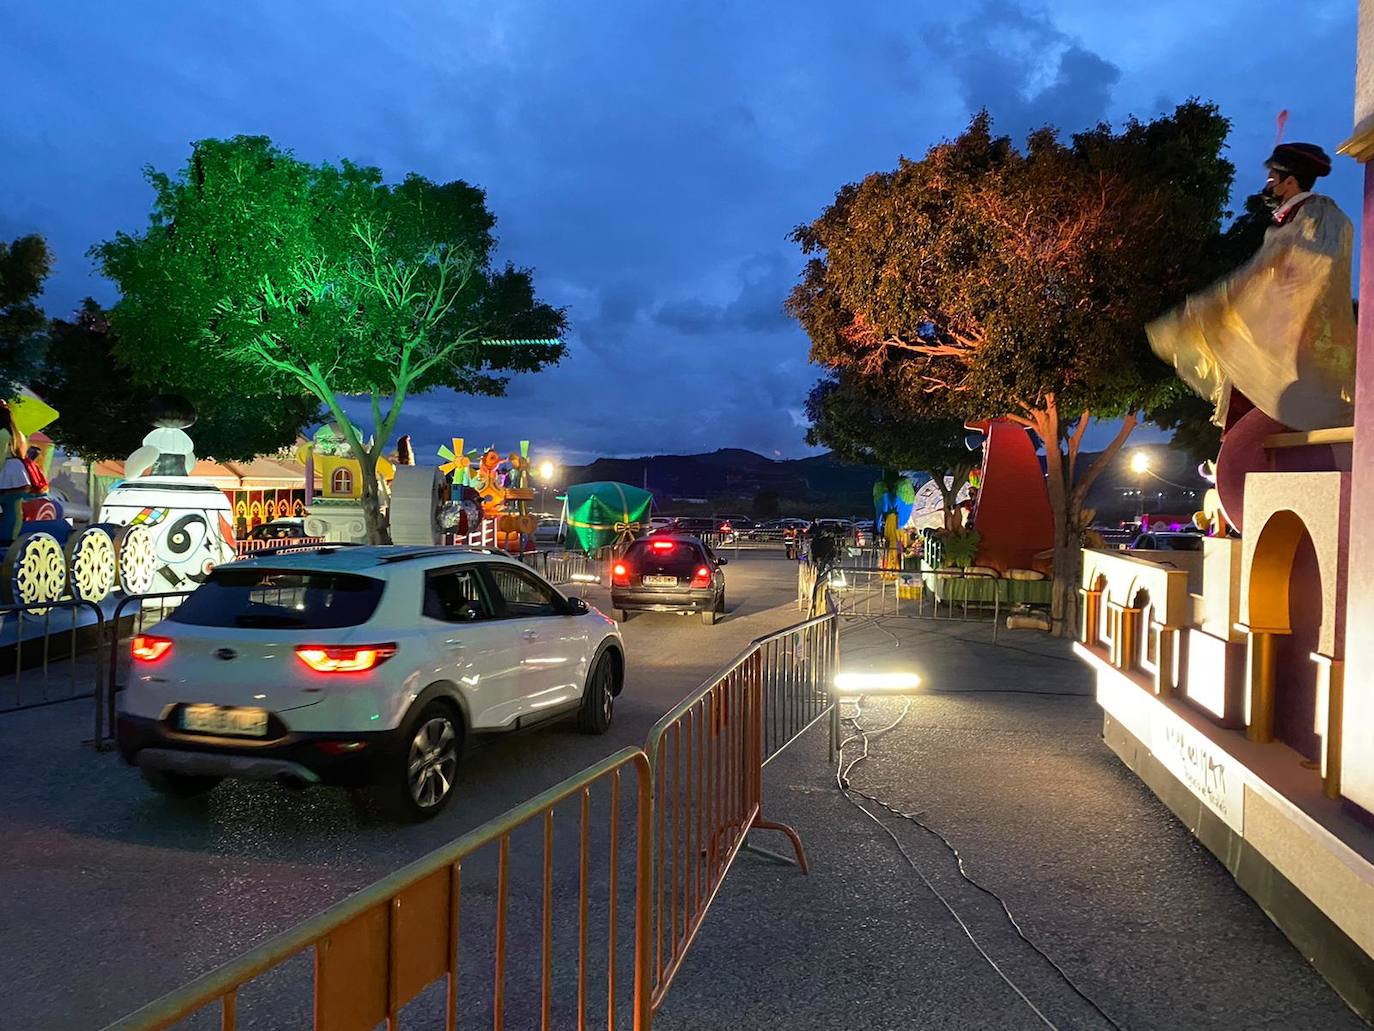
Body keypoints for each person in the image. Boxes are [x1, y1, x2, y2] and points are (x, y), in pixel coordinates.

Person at [1148, 142, 1356, 435]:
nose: (1268, 185)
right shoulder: (1292, 220)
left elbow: (1300, 270)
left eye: (1273, 178)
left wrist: (1224, 300)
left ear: (1290, 182)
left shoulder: (1318, 214)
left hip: (1299, 337)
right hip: (1275, 330)